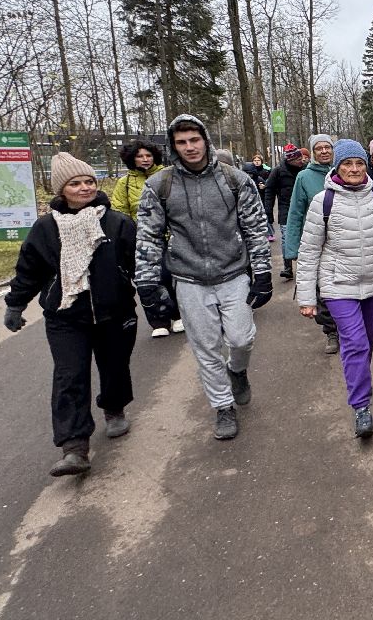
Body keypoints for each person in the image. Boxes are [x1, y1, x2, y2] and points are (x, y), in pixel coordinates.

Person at [135, 114, 272, 440]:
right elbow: (148, 236)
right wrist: (147, 282)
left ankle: (237, 370)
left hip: (233, 273)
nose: (189, 147)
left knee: (241, 338)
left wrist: (263, 272)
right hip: (189, 278)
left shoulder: (234, 179)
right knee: (206, 348)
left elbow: (255, 228)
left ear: (205, 141)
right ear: (173, 147)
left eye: (194, 140)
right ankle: (223, 407)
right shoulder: (160, 185)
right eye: (181, 142)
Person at [4, 152, 138, 477]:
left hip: (114, 312)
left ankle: (114, 407)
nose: (84, 187)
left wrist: (153, 295)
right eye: (75, 183)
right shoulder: (45, 228)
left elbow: (139, 264)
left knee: (115, 366)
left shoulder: (117, 222)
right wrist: (15, 304)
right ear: (61, 190)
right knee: (69, 376)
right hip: (65, 316)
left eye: (89, 181)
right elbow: (29, 270)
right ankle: (75, 446)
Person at [296, 140, 373, 438]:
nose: (354, 169)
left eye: (359, 164)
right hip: (338, 286)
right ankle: (361, 406)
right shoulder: (323, 202)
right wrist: (307, 297)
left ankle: (360, 377)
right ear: (337, 167)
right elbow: (309, 252)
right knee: (354, 342)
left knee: (368, 339)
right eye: (347, 164)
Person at [112, 138, 183, 338]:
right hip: (140, 240)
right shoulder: (124, 183)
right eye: (140, 156)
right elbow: (120, 211)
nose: (145, 159)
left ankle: (178, 314)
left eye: (148, 155)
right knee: (146, 280)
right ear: (131, 159)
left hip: (168, 237)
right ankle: (158, 321)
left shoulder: (167, 176)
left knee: (170, 276)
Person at [283, 133, 340, 354]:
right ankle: (331, 331)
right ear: (313, 152)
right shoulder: (304, 177)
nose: (324, 151)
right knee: (321, 290)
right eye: (319, 148)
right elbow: (296, 213)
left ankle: (345, 327)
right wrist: (292, 248)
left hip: (342, 241)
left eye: (328, 147)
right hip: (317, 243)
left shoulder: (343, 171)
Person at [264, 145, 304, 279]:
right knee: (286, 238)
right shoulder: (278, 171)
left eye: (301, 158)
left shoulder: (305, 169)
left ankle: (304, 266)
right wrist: (268, 212)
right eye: (298, 159)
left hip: (302, 210)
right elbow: (269, 191)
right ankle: (288, 267)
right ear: (290, 160)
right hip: (285, 210)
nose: (301, 160)